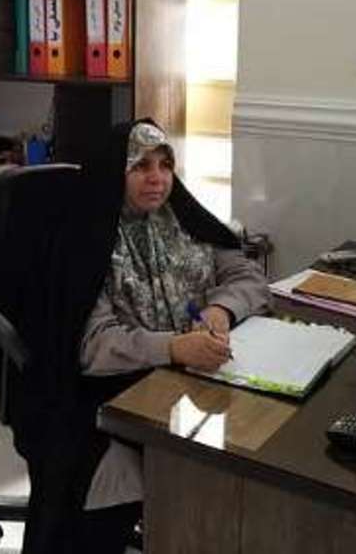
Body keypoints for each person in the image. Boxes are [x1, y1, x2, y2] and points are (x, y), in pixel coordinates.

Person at [75, 120, 271, 552]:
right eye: (140, 166)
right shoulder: (90, 240)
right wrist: (174, 347)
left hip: (200, 375)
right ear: (115, 171)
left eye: (165, 165)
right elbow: (94, 346)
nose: (157, 178)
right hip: (122, 388)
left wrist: (220, 309)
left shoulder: (186, 222)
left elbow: (249, 278)